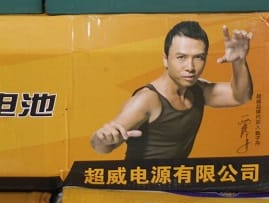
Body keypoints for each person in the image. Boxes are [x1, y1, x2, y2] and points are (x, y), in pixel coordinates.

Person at [90, 21, 253, 160]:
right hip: (140, 184)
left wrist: (239, 61)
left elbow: (240, 96)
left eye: (198, 57)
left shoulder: (197, 90)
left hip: (176, 181)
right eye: (181, 57)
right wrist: (103, 139)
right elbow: (102, 145)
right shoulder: (147, 99)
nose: (190, 67)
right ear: (165, 60)